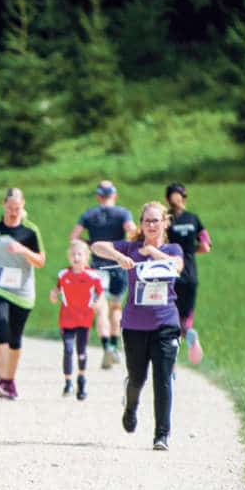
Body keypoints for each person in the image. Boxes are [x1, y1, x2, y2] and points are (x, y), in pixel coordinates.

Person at [91, 201, 184, 451]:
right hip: (134, 326)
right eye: (147, 221)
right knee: (137, 378)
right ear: (141, 225)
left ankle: (161, 435)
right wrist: (120, 257)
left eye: (156, 220)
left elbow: (177, 266)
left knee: (163, 378)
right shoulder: (130, 247)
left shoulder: (173, 248)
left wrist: (153, 253)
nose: (152, 225)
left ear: (165, 222)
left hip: (165, 323)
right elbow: (96, 246)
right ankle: (130, 407)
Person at [0, 187, 46, 400]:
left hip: (22, 290)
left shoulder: (29, 231)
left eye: (17, 208)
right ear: (3, 205)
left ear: (23, 206)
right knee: (1, 325)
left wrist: (23, 250)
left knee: (15, 335)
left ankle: (9, 381)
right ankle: (2, 380)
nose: (13, 212)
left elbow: (40, 261)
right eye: (10, 208)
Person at [71, 180, 137, 369]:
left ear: (98, 196)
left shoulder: (89, 214)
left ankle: (106, 346)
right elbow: (132, 231)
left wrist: (91, 244)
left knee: (100, 309)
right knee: (116, 307)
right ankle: (115, 347)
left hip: (98, 268)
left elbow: (74, 238)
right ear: (114, 195)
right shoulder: (123, 213)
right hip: (118, 266)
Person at [164, 182, 212, 365]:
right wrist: (189, 252)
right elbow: (206, 245)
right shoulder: (194, 218)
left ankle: (170, 359)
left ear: (167, 199)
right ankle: (189, 333)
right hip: (191, 275)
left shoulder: (166, 219)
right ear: (185, 197)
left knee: (169, 319)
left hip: (171, 274)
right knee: (185, 319)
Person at [49, 240, 102, 401]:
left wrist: (96, 302)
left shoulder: (93, 276)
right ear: (68, 257)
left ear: (86, 257)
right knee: (68, 349)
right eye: (73, 254)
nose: (76, 257)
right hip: (67, 318)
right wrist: (53, 294)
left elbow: (99, 293)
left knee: (81, 351)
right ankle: (68, 382)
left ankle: (82, 380)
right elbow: (57, 290)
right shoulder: (63, 274)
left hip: (84, 319)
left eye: (80, 254)